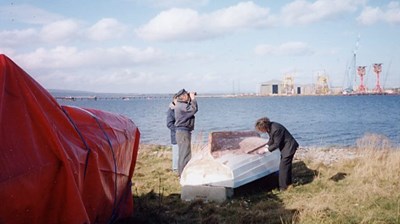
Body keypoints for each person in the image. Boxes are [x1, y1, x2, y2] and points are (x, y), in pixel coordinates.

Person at [255, 117, 299, 191]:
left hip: (289, 147)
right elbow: (272, 139)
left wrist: (265, 150)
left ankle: (283, 188)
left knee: (283, 168)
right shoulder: (270, 127)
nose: (261, 131)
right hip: (285, 148)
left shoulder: (276, 129)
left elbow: (276, 144)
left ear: (264, 126)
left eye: (260, 129)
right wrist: (266, 146)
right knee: (286, 166)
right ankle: (288, 184)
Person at [174, 89, 198, 176]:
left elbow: (189, 109)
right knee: (185, 155)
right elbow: (193, 109)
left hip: (182, 132)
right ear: (183, 96)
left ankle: (181, 174)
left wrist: (190, 99)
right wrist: (193, 99)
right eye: (187, 95)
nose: (188, 96)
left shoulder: (180, 105)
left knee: (183, 154)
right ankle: (184, 175)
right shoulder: (181, 106)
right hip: (183, 132)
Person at [166, 96, 179, 172]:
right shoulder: (171, 110)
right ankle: (175, 169)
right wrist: (178, 130)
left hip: (181, 135)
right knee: (176, 153)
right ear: (174, 100)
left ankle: (179, 168)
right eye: (177, 100)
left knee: (181, 153)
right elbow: (169, 124)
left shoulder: (179, 109)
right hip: (175, 135)